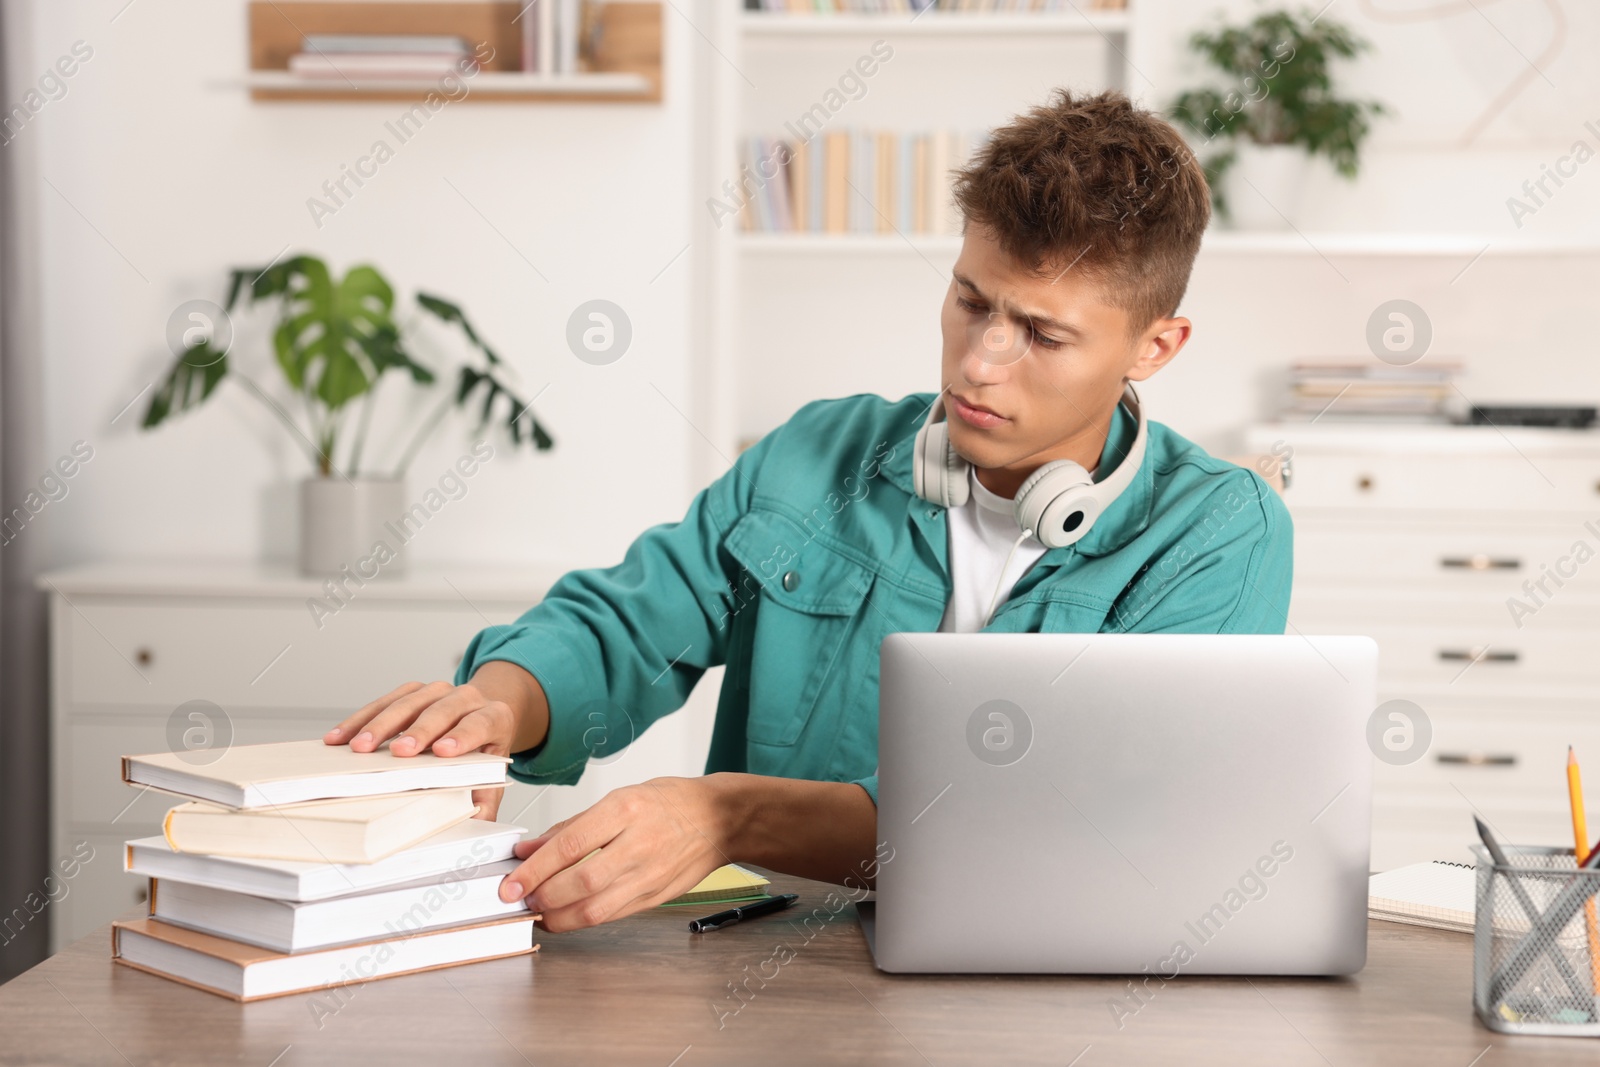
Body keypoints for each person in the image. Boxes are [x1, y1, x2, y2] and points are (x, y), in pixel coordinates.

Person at [324, 88, 1293, 933]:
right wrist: (500, 700)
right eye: (968, 299)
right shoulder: (817, 454)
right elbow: (626, 623)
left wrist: (728, 814)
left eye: (1042, 333)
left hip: (1047, 991)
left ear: (1154, 346)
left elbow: (1074, 811)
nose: (978, 361)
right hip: (771, 966)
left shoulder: (1217, 531)